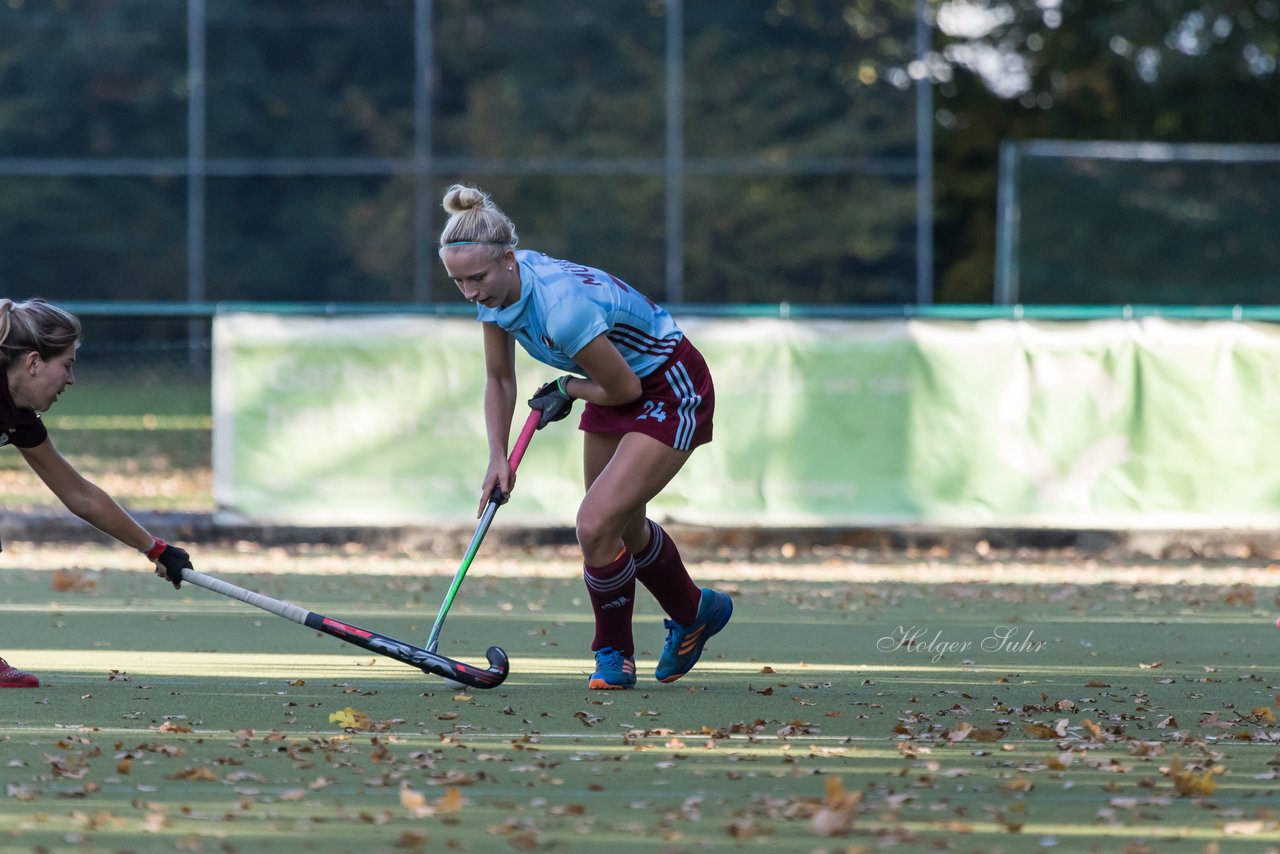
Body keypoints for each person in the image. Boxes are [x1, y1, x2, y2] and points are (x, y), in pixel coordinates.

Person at [437, 184, 733, 690]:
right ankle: (695, 611)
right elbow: (499, 378)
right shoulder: (493, 287)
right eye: (458, 281)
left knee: (595, 524)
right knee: (617, 524)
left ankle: (613, 655)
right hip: (607, 382)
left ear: (509, 259)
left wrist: (567, 387)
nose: (470, 294)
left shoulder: (562, 308)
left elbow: (623, 388)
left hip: (665, 384)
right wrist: (497, 457)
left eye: (477, 279)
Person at [0, 298, 194, 688]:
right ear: (34, 362)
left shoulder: (17, 413)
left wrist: (154, 548)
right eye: (67, 365)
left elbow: (78, 494)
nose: (71, 380)